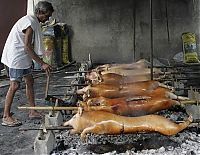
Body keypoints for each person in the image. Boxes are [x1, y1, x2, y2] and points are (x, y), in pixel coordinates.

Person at [1, 1, 54, 126]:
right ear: (39, 12)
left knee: (29, 81)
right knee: (14, 86)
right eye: (46, 15)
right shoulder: (29, 23)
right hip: (16, 57)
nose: (47, 19)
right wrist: (42, 63)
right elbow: (27, 47)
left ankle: (32, 111)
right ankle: (6, 116)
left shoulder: (33, 21)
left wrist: (40, 61)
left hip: (23, 57)